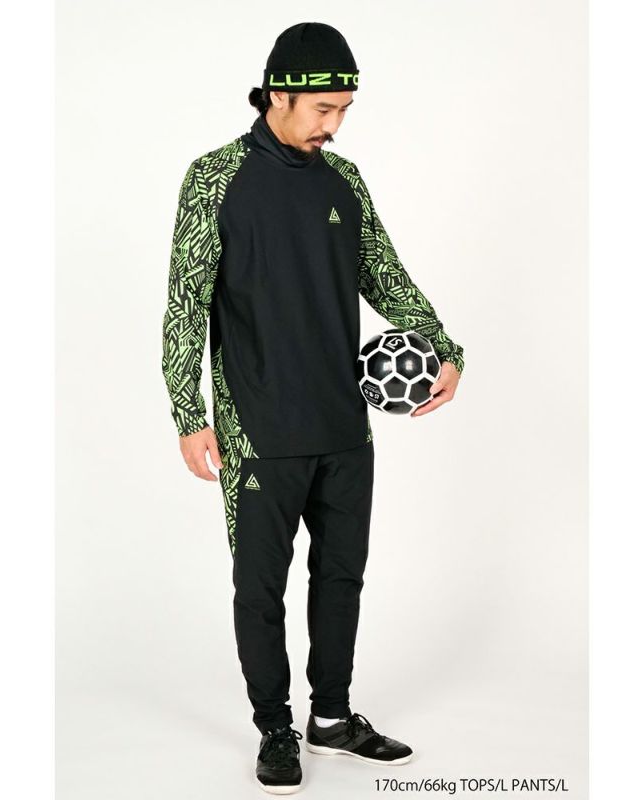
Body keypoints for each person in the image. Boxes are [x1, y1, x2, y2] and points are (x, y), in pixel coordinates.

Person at [161, 21, 465, 794]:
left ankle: (332, 717)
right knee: (259, 588)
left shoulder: (344, 181)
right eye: (324, 109)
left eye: (343, 111)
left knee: (342, 576)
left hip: (343, 423)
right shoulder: (215, 178)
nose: (334, 125)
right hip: (257, 427)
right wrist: (188, 413)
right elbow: (186, 303)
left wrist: (443, 347)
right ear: (279, 94)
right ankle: (275, 727)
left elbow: (384, 274)